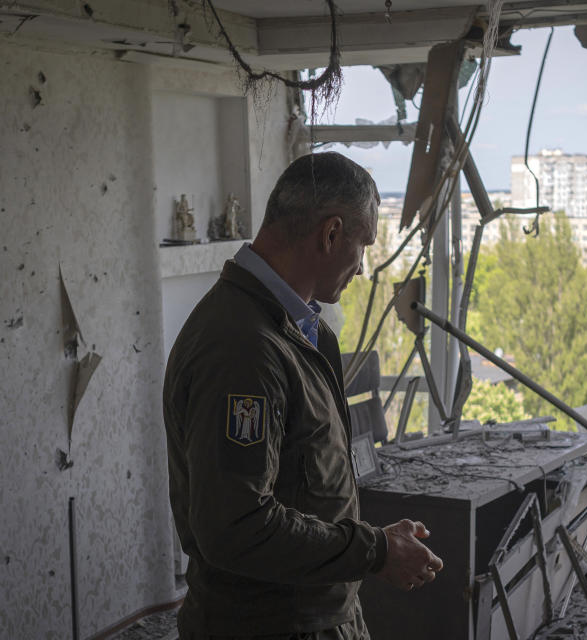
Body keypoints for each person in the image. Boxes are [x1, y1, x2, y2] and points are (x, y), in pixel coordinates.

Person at [163, 152, 442, 639]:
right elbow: (237, 527)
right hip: (269, 627)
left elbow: (300, 483)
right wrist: (374, 550)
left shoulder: (292, 328)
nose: (361, 267)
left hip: (310, 615)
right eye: (363, 244)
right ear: (330, 233)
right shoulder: (243, 349)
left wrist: (373, 546)